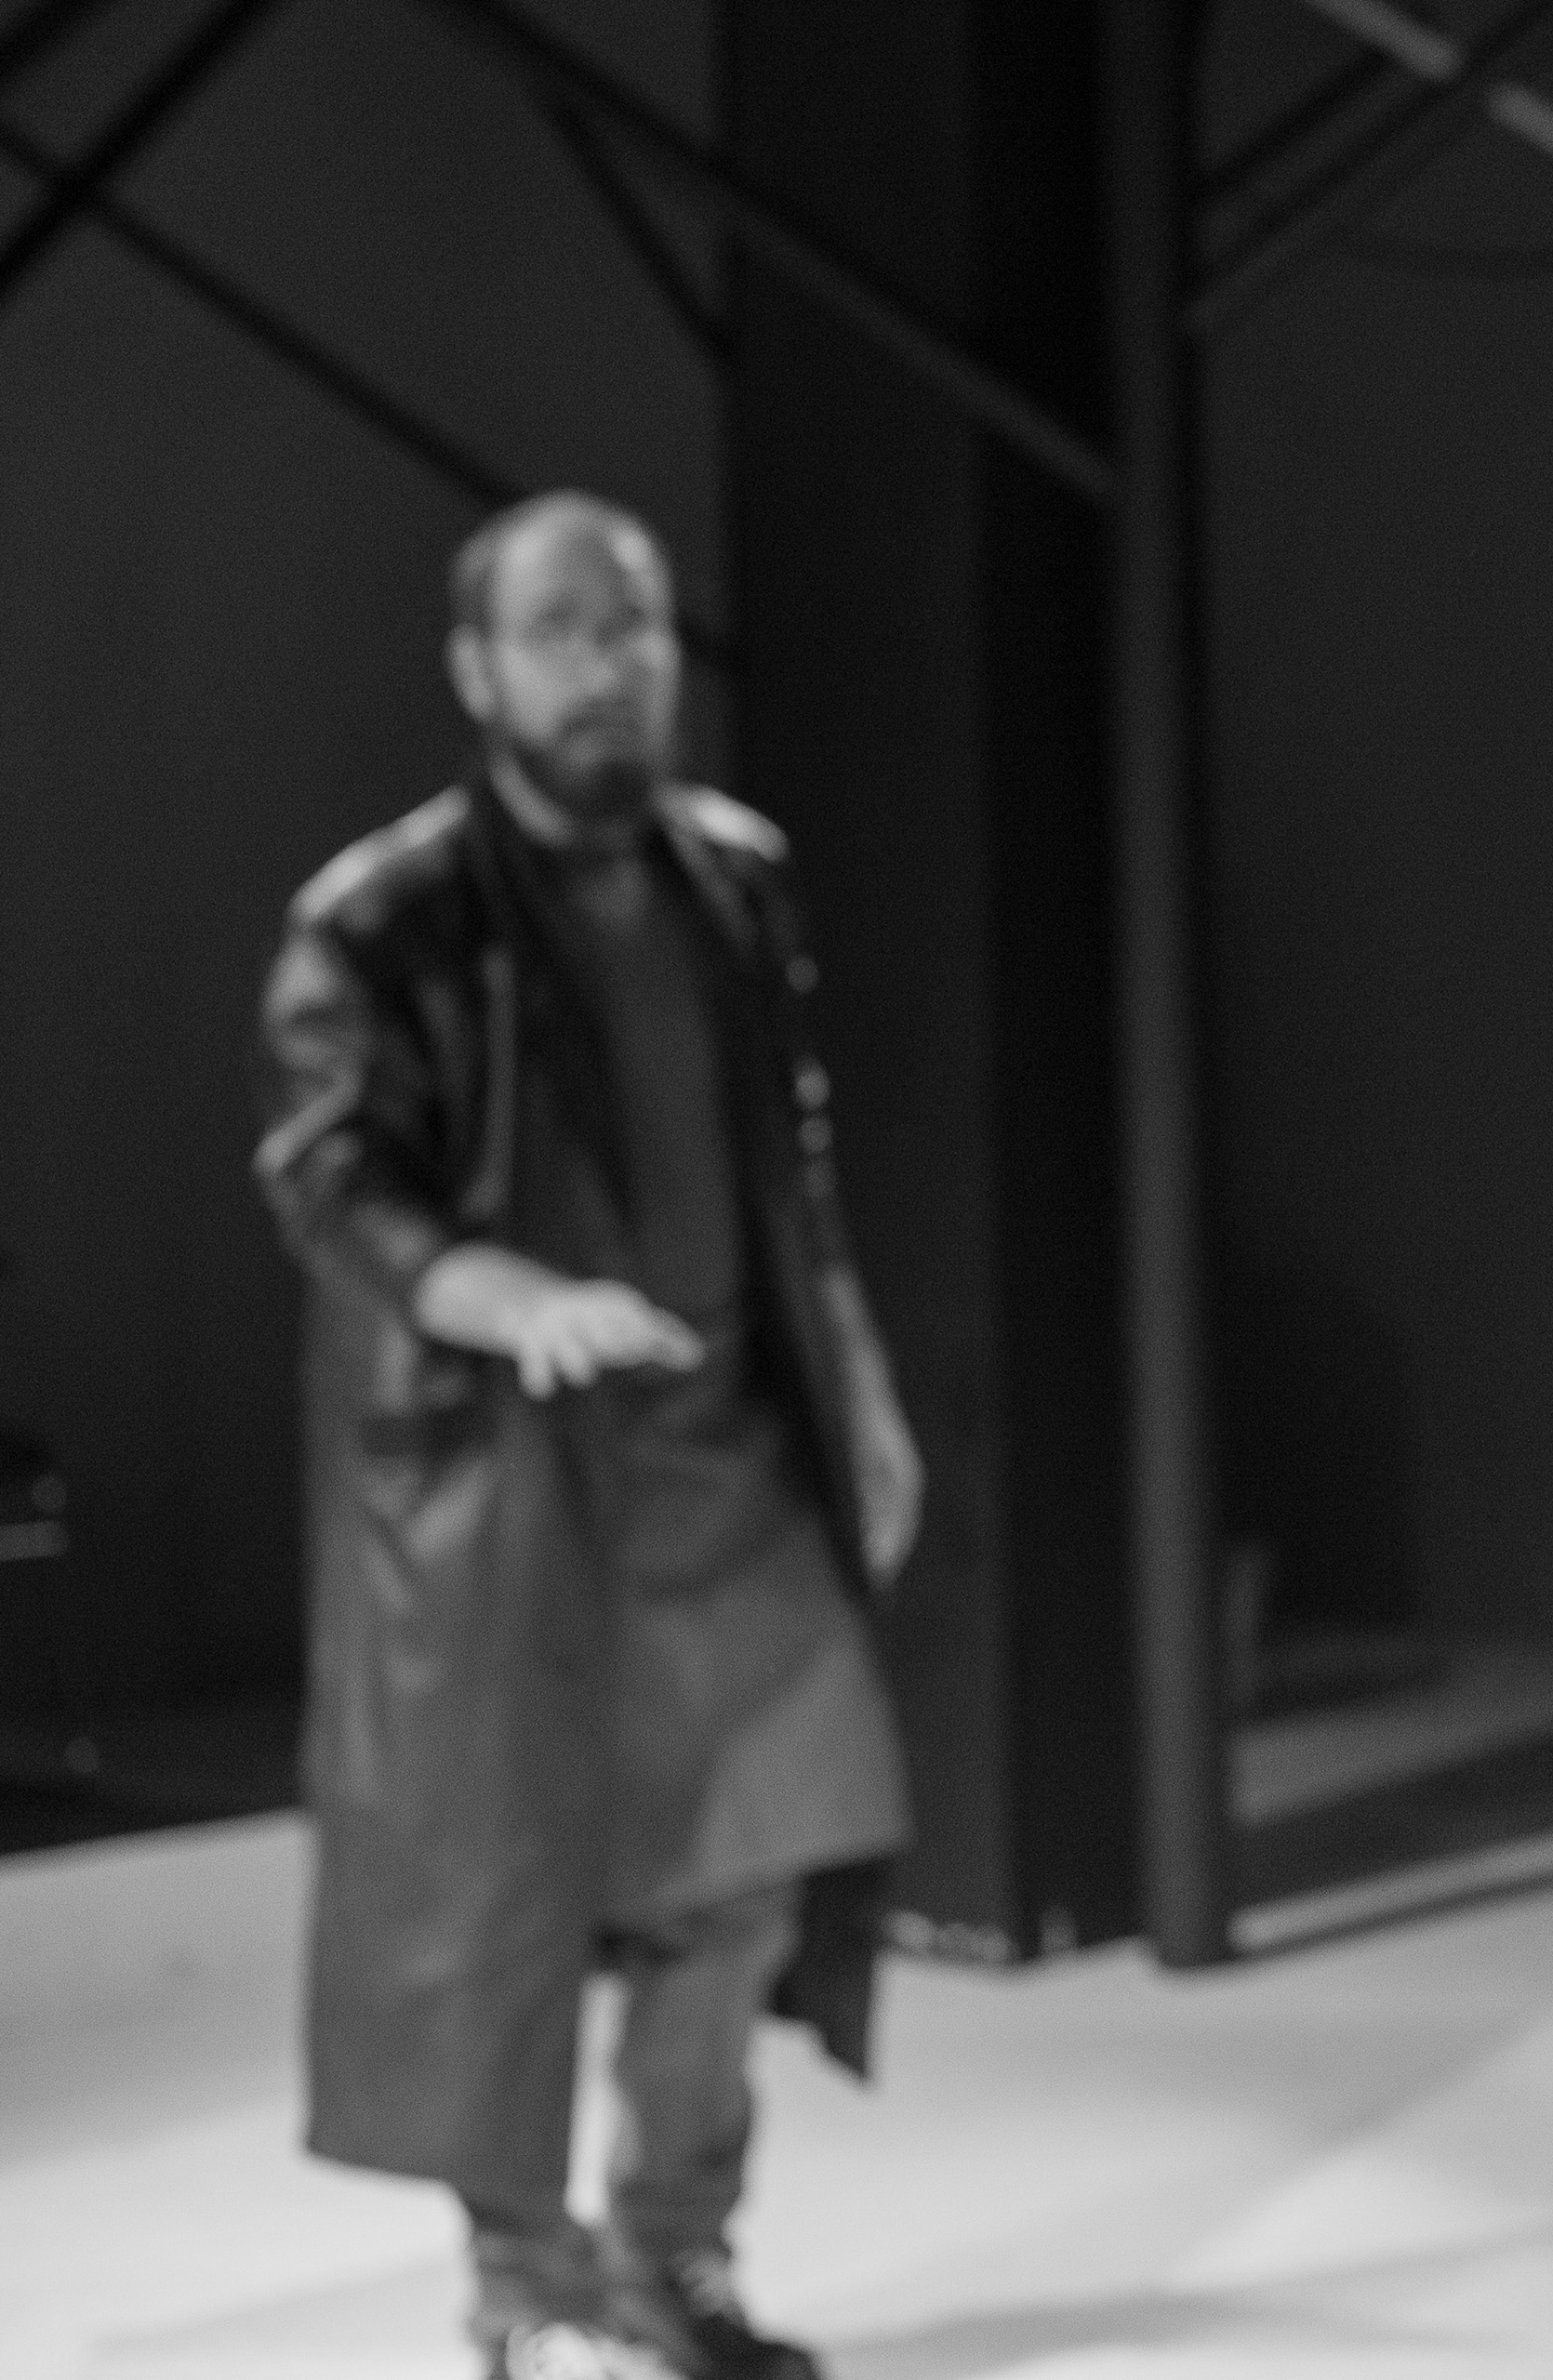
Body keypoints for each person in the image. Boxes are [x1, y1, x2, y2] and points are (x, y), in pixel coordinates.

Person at [258, 493, 920, 2380]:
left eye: (632, 624)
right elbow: (327, 1178)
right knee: (507, 1899)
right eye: (559, 628)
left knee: (754, 1864)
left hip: (728, 1453)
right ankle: (530, 2297)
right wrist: (513, 1299)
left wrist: (859, 1383)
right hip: (505, 1481)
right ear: (476, 667)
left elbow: (795, 1164)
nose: (607, 663)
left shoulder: (733, 875)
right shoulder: (382, 914)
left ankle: (671, 2259)